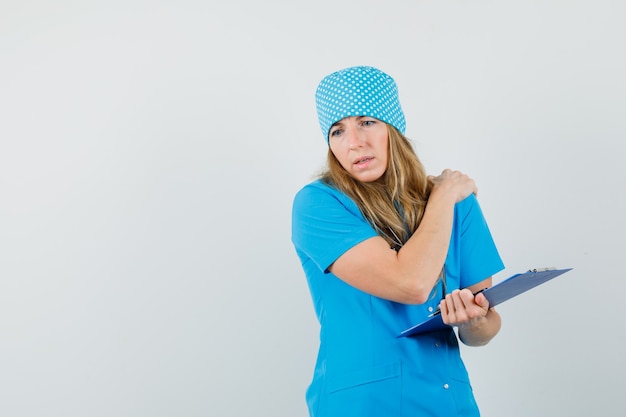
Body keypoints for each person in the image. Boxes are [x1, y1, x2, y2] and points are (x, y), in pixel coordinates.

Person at [291, 66, 505, 417]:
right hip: (362, 404)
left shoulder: (458, 204)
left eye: (367, 122)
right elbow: (412, 284)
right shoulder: (319, 203)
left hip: (448, 400)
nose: (354, 141)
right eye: (337, 131)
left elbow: (485, 325)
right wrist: (443, 196)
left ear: (393, 128)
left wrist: (473, 321)